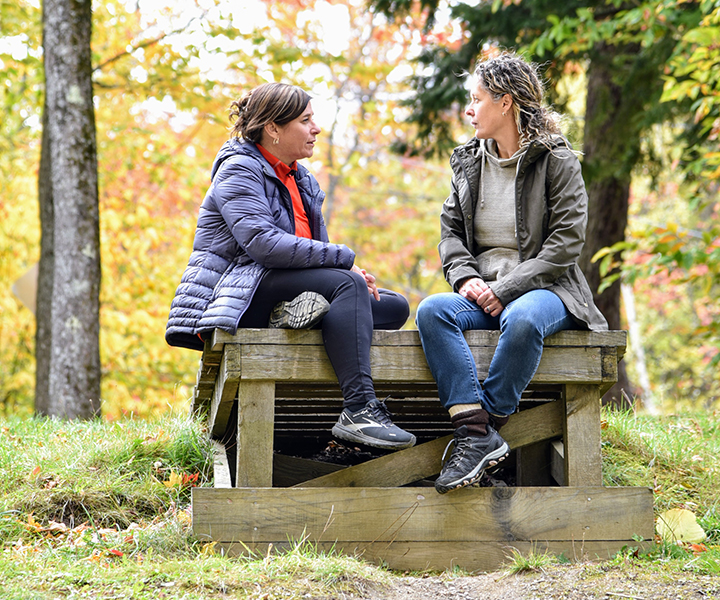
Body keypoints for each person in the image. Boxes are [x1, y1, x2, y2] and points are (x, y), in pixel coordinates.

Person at [166, 82, 416, 465]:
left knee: (393, 306)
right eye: (306, 120)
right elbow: (263, 244)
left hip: (280, 282)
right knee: (347, 287)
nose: (315, 129)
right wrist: (345, 260)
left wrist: (347, 272)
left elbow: (316, 255)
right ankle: (360, 409)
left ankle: (294, 312)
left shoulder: (302, 179)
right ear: (273, 128)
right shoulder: (239, 169)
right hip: (240, 289)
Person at [415, 52, 608, 495]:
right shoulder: (467, 162)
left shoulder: (556, 160)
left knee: (521, 320)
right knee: (432, 311)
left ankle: (484, 427)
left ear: (506, 103)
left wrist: (507, 288)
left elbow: (566, 244)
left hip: (548, 288)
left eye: (476, 99)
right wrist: (465, 278)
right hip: (482, 291)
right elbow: (450, 234)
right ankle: (476, 432)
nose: (468, 110)